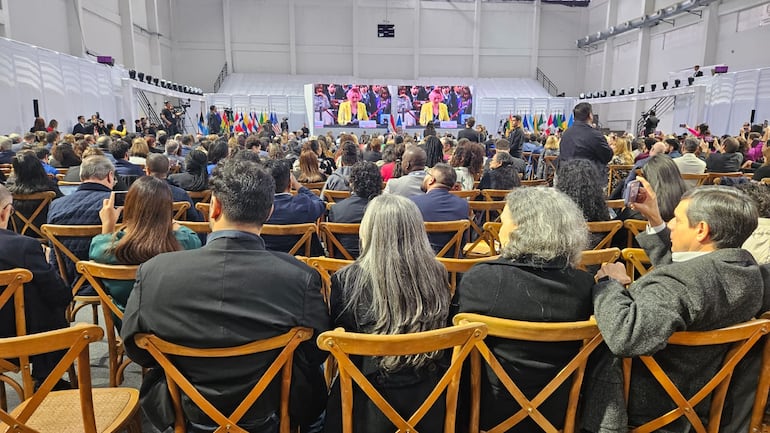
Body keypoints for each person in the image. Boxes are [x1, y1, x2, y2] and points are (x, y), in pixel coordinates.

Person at [121, 157, 330, 433]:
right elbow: (317, 351)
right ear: (268, 212)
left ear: (215, 207)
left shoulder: (155, 273)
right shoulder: (299, 277)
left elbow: (136, 349)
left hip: (185, 409)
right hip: (271, 411)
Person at [582, 182, 765, 433]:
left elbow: (625, 337)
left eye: (677, 219)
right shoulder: (747, 273)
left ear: (701, 230)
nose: (670, 224)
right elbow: (693, 278)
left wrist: (609, 284)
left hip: (649, 402)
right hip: (703, 398)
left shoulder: (681, 284)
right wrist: (654, 218)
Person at [457, 186, 592, 432]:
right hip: (557, 415)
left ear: (522, 230)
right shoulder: (584, 286)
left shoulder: (482, 281)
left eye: (504, 221)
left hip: (489, 414)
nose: (499, 228)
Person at [325, 194, 451, 433]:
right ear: (417, 231)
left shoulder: (346, 279)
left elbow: (337, 340)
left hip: (363, 405)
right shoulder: (438, 274)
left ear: (368, 231)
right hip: (431, 405)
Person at [89, 177, 201, 317]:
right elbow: (187, 234)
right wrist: (165, 219)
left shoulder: (103, 247)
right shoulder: (186, 241)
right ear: (168, 209)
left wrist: (108, 225)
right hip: (172, 322)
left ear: (128, 206)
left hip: (127, 323)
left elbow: (103, 245)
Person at [0, 184, 72, 386]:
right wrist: (48, 263)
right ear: (5, 212)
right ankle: (47, 379)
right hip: (17, 340)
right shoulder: (24, 246)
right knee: (46, 300)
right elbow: (60, 295)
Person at [47, 156, 116, 293]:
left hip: (68, 280)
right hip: (108, 280)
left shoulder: (56, 205)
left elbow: (54, 254)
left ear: (81, 177)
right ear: (110, 176)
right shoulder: (115, 204)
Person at [263, 159, 325, 256]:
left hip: (266, 262)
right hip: (301, 263)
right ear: (290, 183)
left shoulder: (257, 209)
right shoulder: (302, 204)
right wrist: (298, 186)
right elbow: (321, 204)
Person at [410, 163, 470, 256]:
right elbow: (463, 241)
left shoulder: (412, 203)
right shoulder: (463, 205)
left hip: (421, 263)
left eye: (427, 174)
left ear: (431, 180)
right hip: (452, 265)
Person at [327, 161, 383, 258]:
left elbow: (331, 248)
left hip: (343, 267)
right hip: (377, 266)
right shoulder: (387, 210)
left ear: (352, 183)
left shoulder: (335, 210)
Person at [7, 150, 63, 235]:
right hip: (46, 233)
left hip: (18, 234)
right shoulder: (50, 189)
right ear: (39, 168)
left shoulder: (10, 192)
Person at [558, 102, 612, 179]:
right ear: (590, 115)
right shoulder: (595, 135)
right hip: (588, 180)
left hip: (565, 177)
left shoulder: (566, 133)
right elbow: (607, 157)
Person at [145, 153, 202, 222]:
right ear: (168, 169)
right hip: (174, 231)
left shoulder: (137, 191)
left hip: (143, 231)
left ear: (147, 170)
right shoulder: (181, 195)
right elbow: (194, 219)